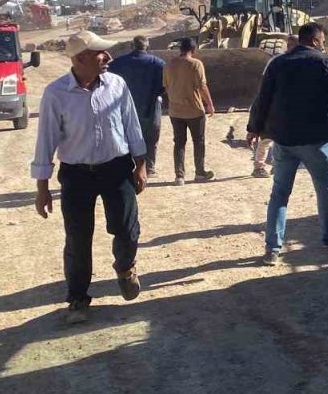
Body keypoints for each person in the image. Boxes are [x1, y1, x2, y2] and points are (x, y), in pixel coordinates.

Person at [32, 30, 148, 325]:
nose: (108, 57)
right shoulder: (56, 93)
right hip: (76, 175)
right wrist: (42, 187)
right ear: (81, 58)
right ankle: (78, 299)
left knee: (127, 228)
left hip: (116, 168)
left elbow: (131, 125)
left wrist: (141, 164)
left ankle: (125, 267)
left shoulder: (116, 85)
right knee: (78, 239)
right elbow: (45, 140)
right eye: (100, 53)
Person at [247, 22, 328, 265]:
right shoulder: (326, 62)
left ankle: (272, 249)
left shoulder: (278, 64)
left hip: (284, 141)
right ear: (317, 40)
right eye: (323, 41)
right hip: (316, 141)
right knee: (325, 187)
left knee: (279, 194)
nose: (324, 45)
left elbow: (262, 98)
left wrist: (253, 128)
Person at [108, 35, 167, 177]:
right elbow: (165, 85)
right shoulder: (158, 63)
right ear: (147, 46)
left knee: (126, 135)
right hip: (151, 105)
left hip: (124, 106)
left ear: (132, 45)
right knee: (151, 137)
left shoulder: (118, 63)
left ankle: (129, 166)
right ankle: (150, 168)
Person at [163, 37, 216, 185]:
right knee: (198, 141)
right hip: (194, 110)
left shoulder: (169, 65)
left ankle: (179, 176)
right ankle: (200, 173)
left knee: (179, 143)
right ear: (193, 50)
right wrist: (210, 104)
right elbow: (202, 86)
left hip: (175, 110)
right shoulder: (196, 64)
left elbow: (166, 86)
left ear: (180, 49)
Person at [249, 35, 297, 178]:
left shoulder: (276, 60)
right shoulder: (283, 61)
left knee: (270, 138)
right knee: (269, 138)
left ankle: (268, 166)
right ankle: (263, 166)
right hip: (279, 105)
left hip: (276, 104)